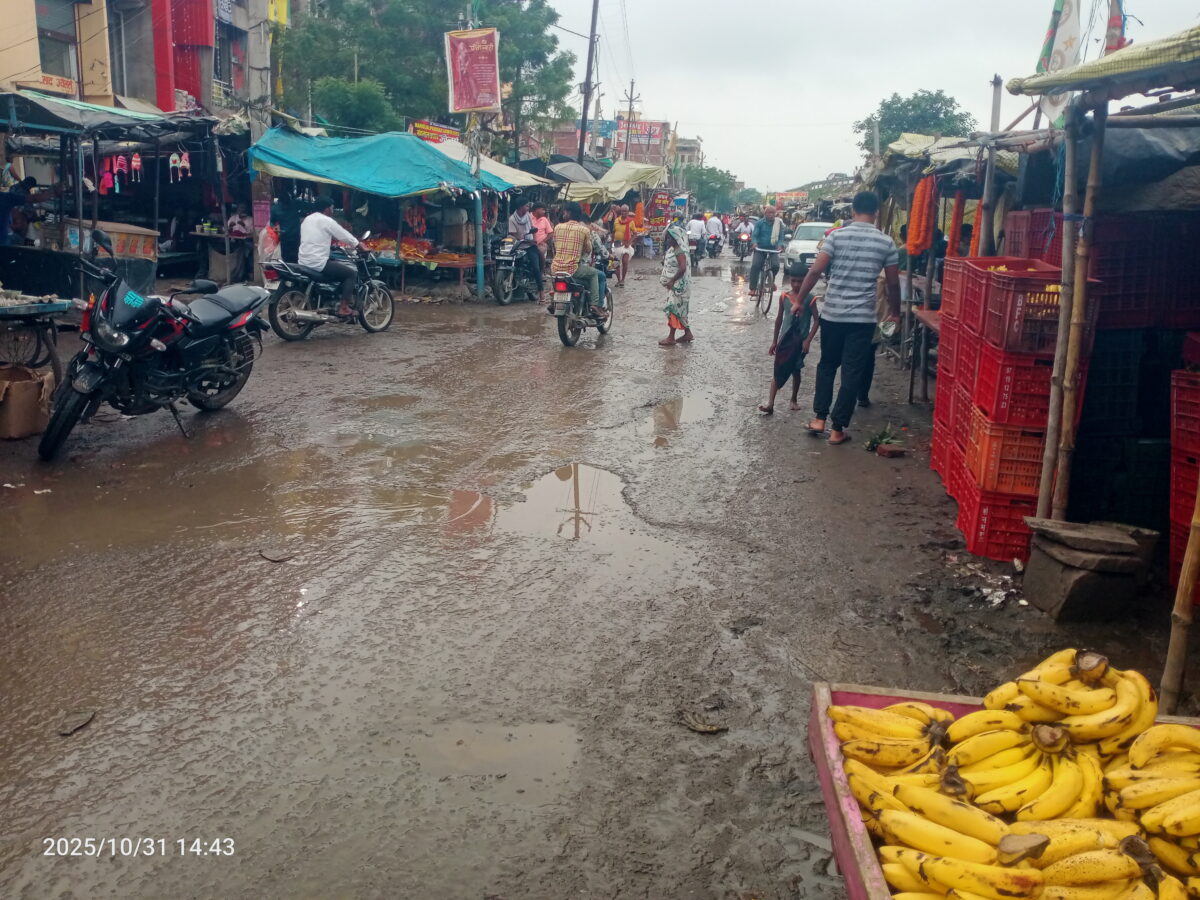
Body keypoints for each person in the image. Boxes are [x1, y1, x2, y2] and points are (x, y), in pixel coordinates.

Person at [791, 190, 900, 445]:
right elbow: (893, 283)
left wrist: (799, 300)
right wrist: (895, 312)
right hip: (863, 319)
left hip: (833, 315)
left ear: (852, 211)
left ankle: (820, 419)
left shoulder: (836, 236)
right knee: (852, 371)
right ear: (876, 213)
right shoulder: (886, 242)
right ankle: (838, 429)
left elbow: (815, 271)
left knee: (827, 365)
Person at [760, 266, 820, 415]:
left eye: (800, 281)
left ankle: (793, 399)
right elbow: (779, 319)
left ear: (806, 281)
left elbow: (817, 321)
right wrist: (775, 341)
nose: (796, 284)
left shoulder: (810, 299)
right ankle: (770, 403)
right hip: (784, 341)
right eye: (793, 281)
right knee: (778, 369)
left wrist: (808, 340)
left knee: (795, 370)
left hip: (800, 343)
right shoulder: (784, 297)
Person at [299, 198, 360, 318]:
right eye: (332, 208)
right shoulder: (327, 220)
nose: (332, 211)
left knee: (334, 266)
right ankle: (344, 308)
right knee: (350, 274)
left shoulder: (307, 219)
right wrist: (359, 244)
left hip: (303, 261)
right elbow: (343, 235)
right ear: (327, 208)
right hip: (318, 262)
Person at [551, 202, 604, 319]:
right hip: (573, 269)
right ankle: (594, 305)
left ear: (569, 213)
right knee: (594, 274)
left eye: (565, 211)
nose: (563, 213)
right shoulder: (584, 230)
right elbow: (588, 249)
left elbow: (555, 245)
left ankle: (552, 300)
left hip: (555, 268)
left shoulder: (557, 227)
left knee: (555, 278)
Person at [658, 223, 693, 346]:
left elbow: (682, 268)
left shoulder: (679, 250)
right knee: (680, 309)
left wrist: (672, 280)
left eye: (670, 238)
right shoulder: (673, 249)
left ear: (676, 237)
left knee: (673, 309)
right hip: (676, 285)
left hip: (678, 286)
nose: (668, 240)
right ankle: (688, 333)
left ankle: (671, 337)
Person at [0, 176, 55, 246]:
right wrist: (53, 193)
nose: (30, 188)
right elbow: (33, 200)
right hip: (8, 238)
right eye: (30, 186)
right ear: (28, 184)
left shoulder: (13, 188)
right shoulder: (12, 195)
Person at [507, 200, 543, 296]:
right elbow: (513, 233)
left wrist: (534, 241)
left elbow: (532, 229)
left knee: (536, 267)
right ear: (520, 207)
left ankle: (541, 292)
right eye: (526, 206)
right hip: (518, 245)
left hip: (529, 245)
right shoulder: (512, 219)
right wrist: (521, 238)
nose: (528, 208)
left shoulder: (528, 216)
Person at [750, 206, 786, 291]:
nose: (770, 215)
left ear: (775, 214)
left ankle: (771, 281)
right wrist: (754, 243)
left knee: (776, 266)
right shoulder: (759, 223)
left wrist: (780, 245)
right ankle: (753, 288)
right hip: (760, 248)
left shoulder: (779, 224)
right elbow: (754, 235)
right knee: (755, 265)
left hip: (773, 249)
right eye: (768, 213)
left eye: (772, 213)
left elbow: (781, 237)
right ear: (765, 214)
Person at [270, 193, 309, 264]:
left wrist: (302, 215)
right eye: (284, 204)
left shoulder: (295, 204)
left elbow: (308, 207)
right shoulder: (275, 209)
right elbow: (272, 222)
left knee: (296, 257)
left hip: (296, 236)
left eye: (287, 203)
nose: (286, 206)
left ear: (289, 201)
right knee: (285, 258)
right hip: (284, 237)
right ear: (279, 202)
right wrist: (274, 228)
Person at [610, 204, 640, 286]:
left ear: (628, 212)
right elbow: (613, 232)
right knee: (616, 263)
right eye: (622, 211)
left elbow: (635, 234)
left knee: (625, 262)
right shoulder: (616, 220)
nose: (624, 213)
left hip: (626, 245)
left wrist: (629, 242)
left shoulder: (631, 222)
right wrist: (611, 244)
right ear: (621, 212)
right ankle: (619, 280)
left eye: (625, 211)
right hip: (616, 244)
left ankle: (623, 280)